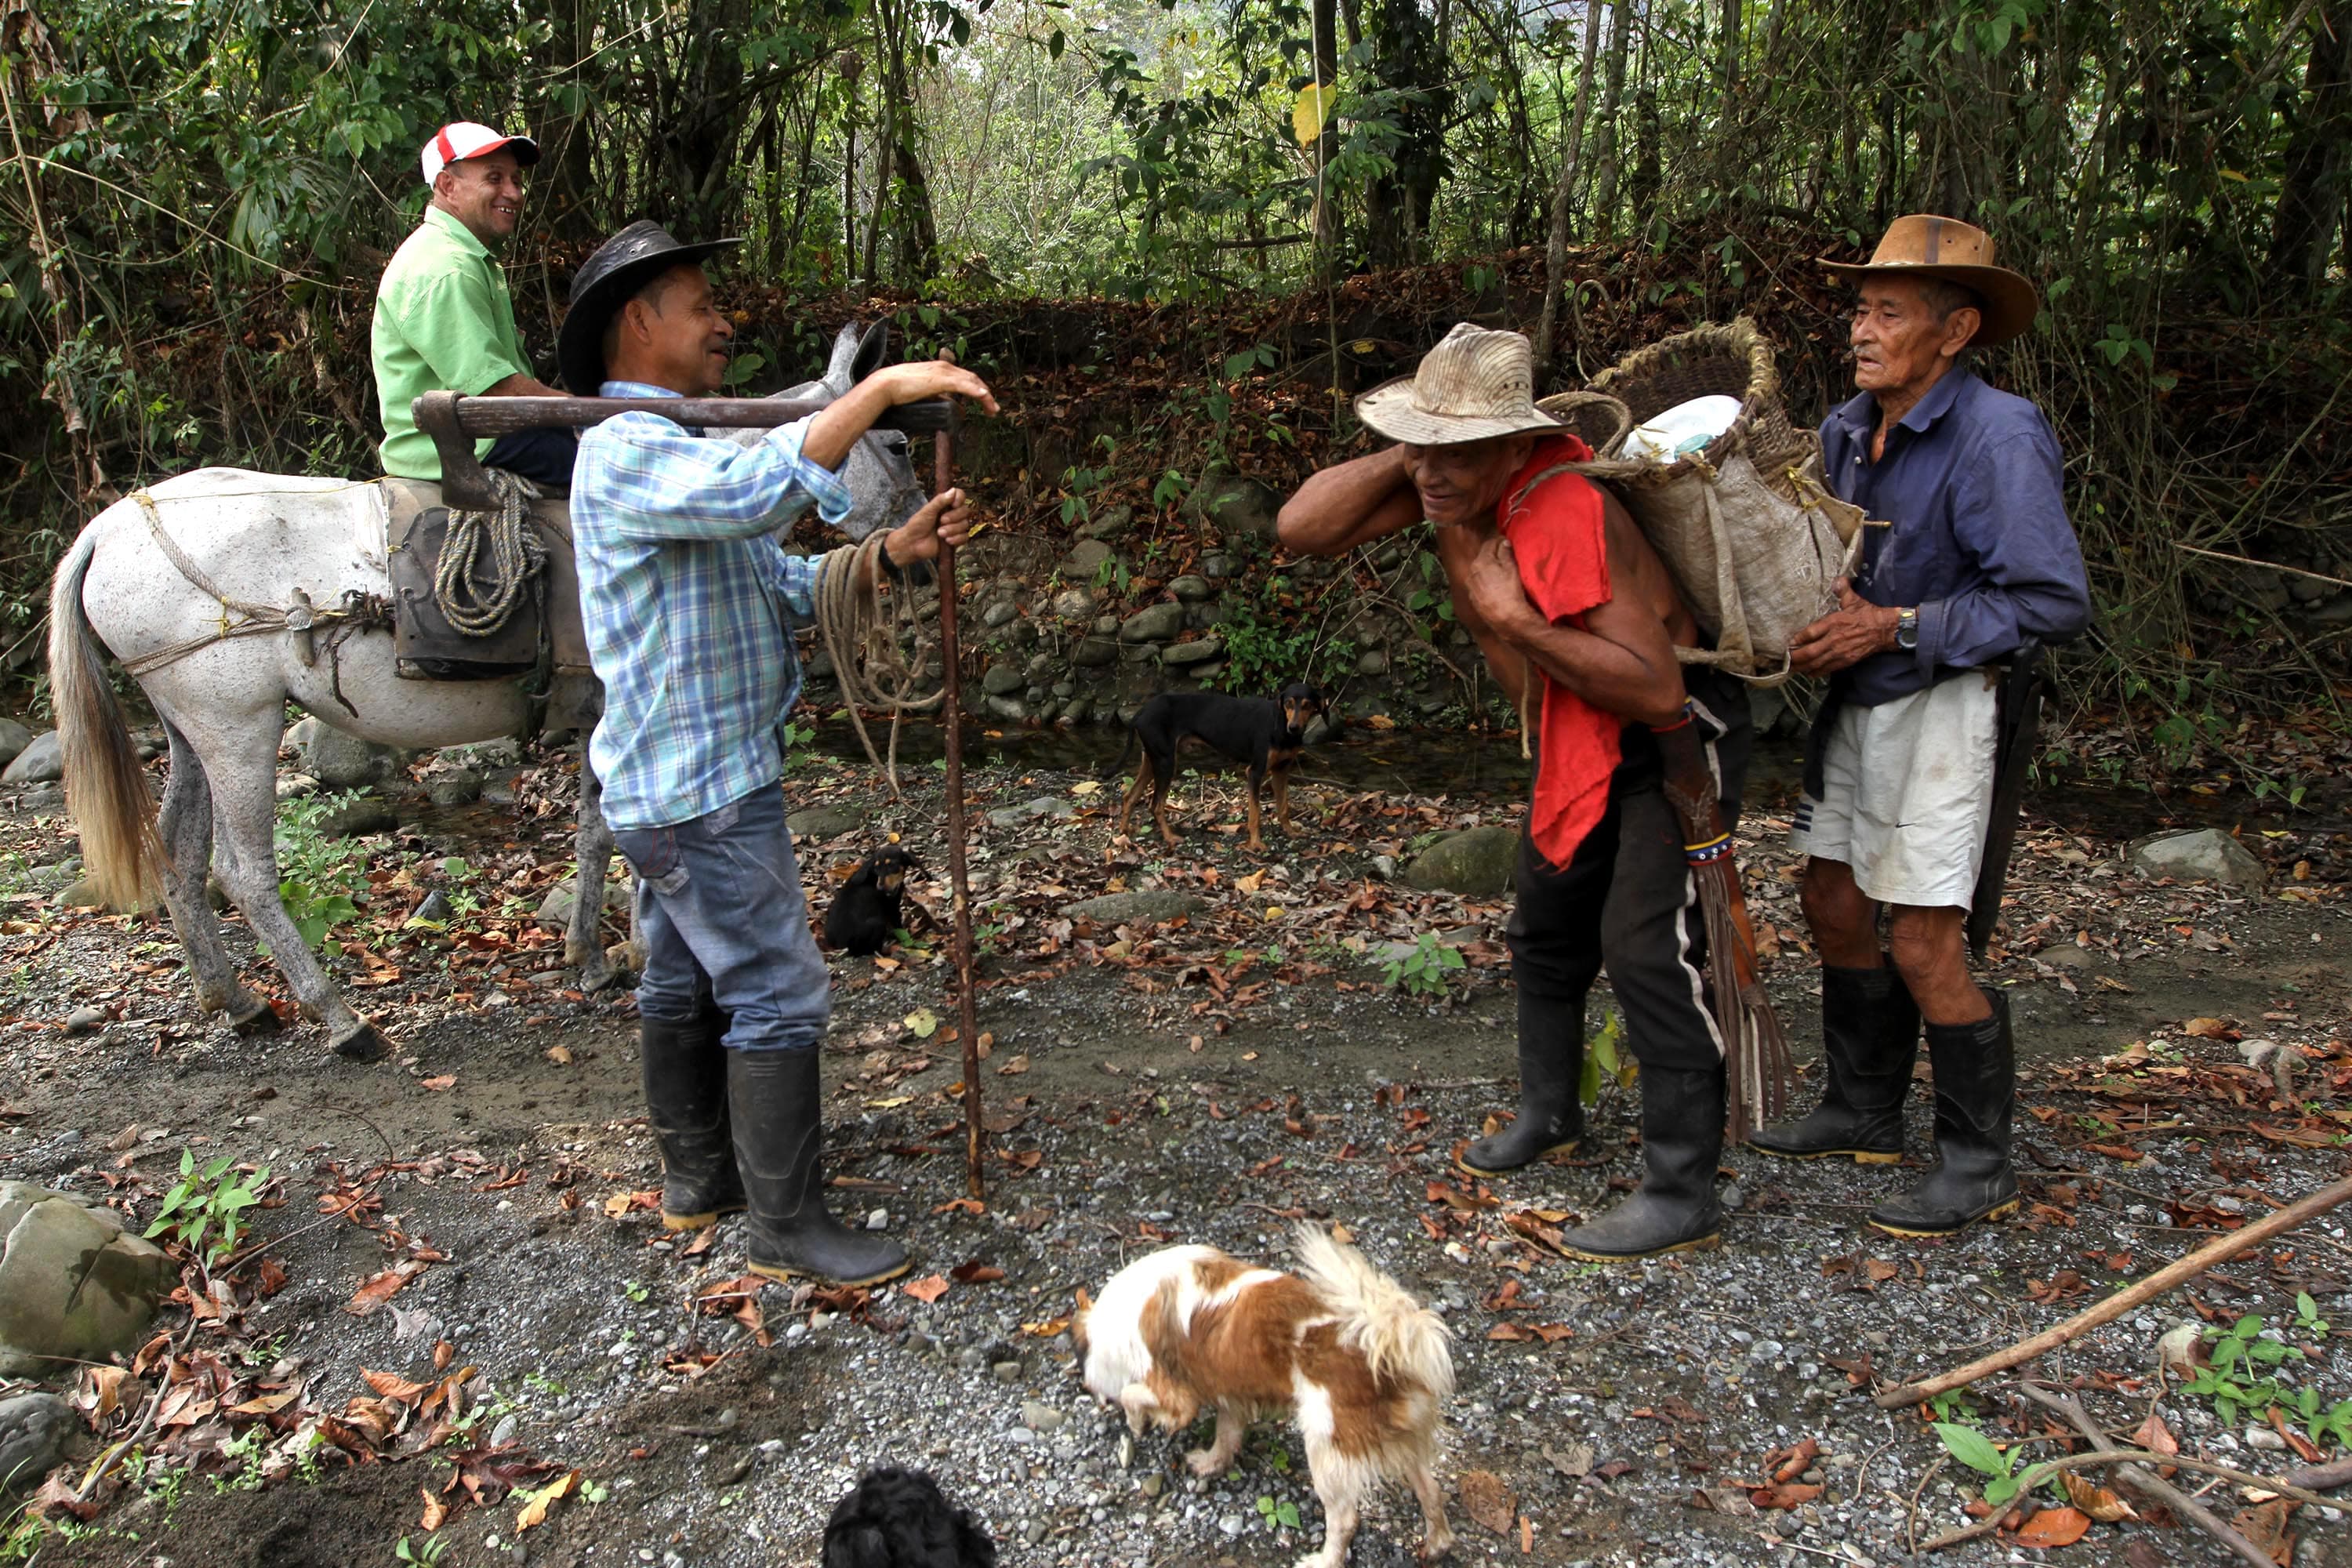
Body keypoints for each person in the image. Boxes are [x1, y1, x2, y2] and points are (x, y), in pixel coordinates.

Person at [562, 220, 998, 1286]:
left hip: (675, 787)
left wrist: (889, 554)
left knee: (682, 975)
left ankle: (697, 1180)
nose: (724, 324)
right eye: (703, 306)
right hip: (703, 794)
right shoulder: (626, 452)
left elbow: (781, 582)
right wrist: (879, 390)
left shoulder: (679, 451)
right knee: (776, 988)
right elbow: (756, 493)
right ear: (639, 321)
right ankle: (788, 1225)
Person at [1278, 325, 1751, 1261]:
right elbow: (1301, 529)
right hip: (1574, 740)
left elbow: (1653, 685)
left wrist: (1508, 618)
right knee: (1544, 924)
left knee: (1646, 948)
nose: (1433, 474)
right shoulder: (1448, 488)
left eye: (1460, 451)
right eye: (1424, 447)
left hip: (1669, 739)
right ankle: (1551, 1112)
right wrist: (1417, 450)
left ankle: (1680, 1183)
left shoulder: (1564, 508)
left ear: (1515, 444)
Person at [1746, 215, 2089, 1236]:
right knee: (1833, 898)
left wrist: (1897, 624)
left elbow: (2051, 603)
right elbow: (1829, 566)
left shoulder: (1999, 433)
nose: (1862, 327)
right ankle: (1863, 1108)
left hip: (1950, 699)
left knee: (1925, 935)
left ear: (1955, 330)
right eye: (1860, 307)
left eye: (1888, 311)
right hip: (1867, 697)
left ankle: (1977, 1159)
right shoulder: (1850, 429)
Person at [372, 122, 577, 487]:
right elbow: (494, 390)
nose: (513, 193)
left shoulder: (464, 255)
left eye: (516, 180)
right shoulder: (447, 268)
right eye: (495, 179)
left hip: (484, 434)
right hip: (467, 445)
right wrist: (578, 408)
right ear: (448, 187)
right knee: (617, 469)